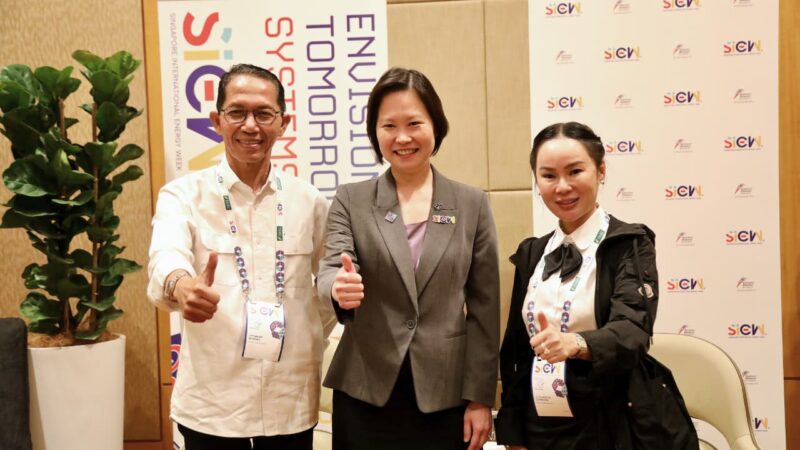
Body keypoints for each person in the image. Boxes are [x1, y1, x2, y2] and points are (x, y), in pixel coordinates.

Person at [147, 64, 335, 450]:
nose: (251, 125)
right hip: (213, 404)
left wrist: (306, 331)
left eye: (264, 114)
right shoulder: (182, 195)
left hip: (290, 399)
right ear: (217, 120)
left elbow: (328, 283)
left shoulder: (309, 201)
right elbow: (165, 256)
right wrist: (182, 287)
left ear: (283, 123)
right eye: (237, 112)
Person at [316, 67, 500, 450]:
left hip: (446, 395)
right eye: (389, 126)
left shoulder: (472, 203)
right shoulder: (351, 199)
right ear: (375, 131)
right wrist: (338, 287)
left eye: (414, 123)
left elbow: (485, 308)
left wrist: (481, 397)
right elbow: (333, 266)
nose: (402, 137)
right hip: (365, 388)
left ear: (436, 125)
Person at [495, 122, 667, 449]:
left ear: (600, 170)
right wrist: (513, 432)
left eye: (575, 171)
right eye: (548, 176)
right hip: (542, 425)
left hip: (611, 422)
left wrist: (574, 343)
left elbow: (633, 330)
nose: (562, 187)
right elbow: (516, 351)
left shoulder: (629, 243)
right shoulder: (532, 252)